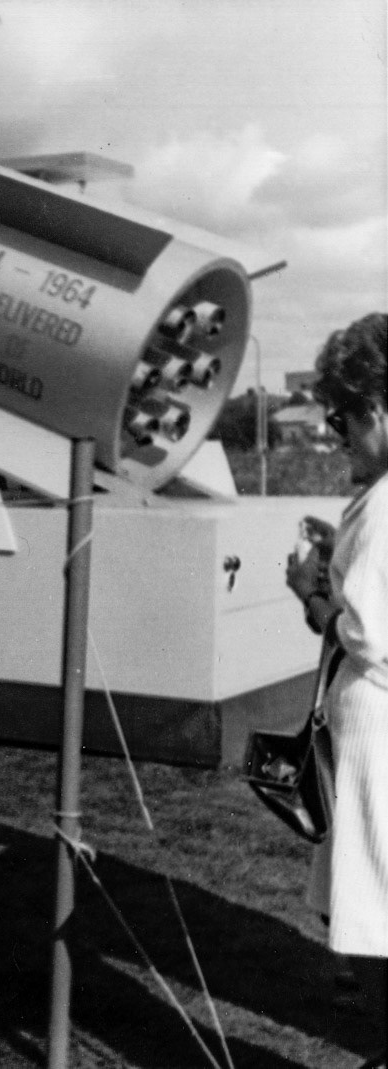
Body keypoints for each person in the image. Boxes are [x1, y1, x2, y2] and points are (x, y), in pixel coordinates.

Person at [286, 311, 388, 1068]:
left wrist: (312, 592)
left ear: (378, 409)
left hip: (378, 735)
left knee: (378, 912)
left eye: (343, 416)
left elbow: (372, 638)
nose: (335, 433)